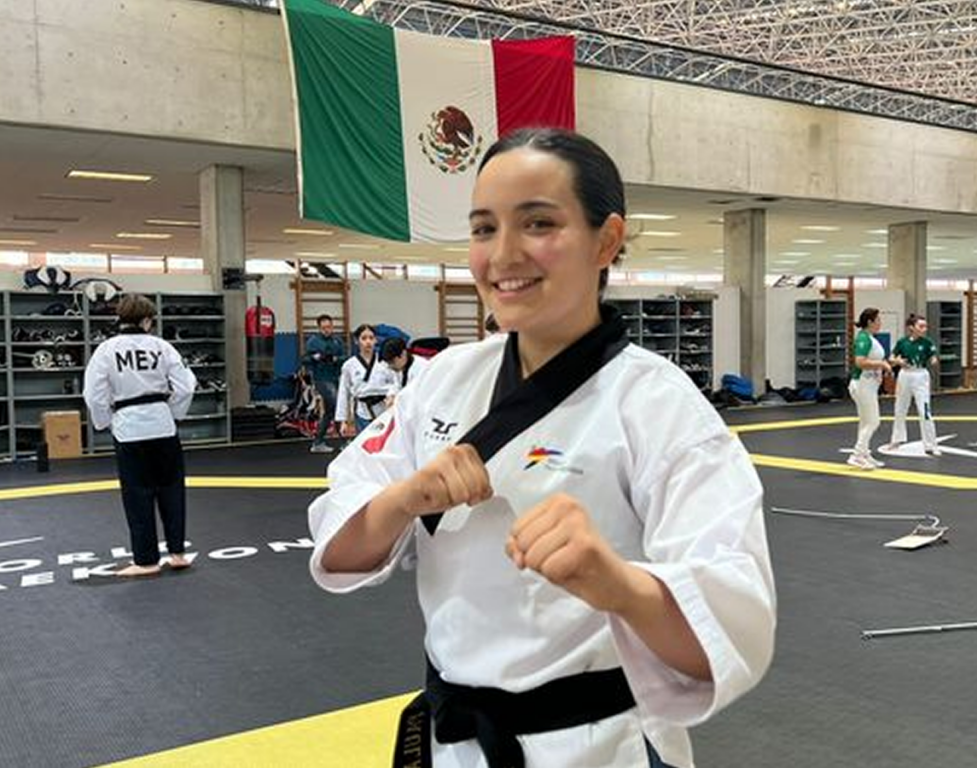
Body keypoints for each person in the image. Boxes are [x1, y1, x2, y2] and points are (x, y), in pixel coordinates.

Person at [308, 128, 775, 768]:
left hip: (593, 745)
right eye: (482, 229)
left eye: (538, 224)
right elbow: (341, 541)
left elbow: (733, 613)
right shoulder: (441, 379)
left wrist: (619, 584)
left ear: (606, 240)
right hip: (453, 739)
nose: (503, 255)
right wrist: (403, 499)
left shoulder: (657, 403)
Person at [83, 294, 197, 577]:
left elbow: (94, 394)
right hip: (162, 424)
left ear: (119, 319)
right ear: (148, 320)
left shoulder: (107, 350)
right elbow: (186, 386)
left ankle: (145, 560)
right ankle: (178, 553)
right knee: (171, 489)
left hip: (128, 426)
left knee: (137, 494)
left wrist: (106, 422)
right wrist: (171, 413)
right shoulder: (162, 346)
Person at [885, 313, 940, 455]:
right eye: (921, 326)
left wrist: (934, 360)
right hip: (905, 375)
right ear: (911, 328)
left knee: (925, 410)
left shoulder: (927, 342)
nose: (924, 329)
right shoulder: (902, 342)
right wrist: (898, 361)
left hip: (920, 375)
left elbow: (933, 356)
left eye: (925, 326)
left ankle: (930, 444)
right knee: (900, 408)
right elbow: (891, 357)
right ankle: (897, 439)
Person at [847, 307, 891, 470]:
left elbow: (876, 360)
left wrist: (889, 363)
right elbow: (860, 361)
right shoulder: (864, 339)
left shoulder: (871, 338)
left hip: (869, 385)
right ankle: (857, 454)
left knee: (865, 422)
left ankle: (864, 453)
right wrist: (881, 364)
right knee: (873, 421)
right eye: (878, 320)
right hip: (862, 384)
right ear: (870, 322)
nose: (880, 323)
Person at [335, 324, 394, 437]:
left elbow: (396, 384)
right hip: (362, 411)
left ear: (376, 340)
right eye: (364, 338)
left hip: (384, 409)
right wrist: (343, 421)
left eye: (371, 338)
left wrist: (392, 395)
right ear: (357, 341)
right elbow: (343, 393)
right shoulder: (349, 365)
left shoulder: (385, 362)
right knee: (365, 447)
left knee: (385, 446)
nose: (368, 342)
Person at [303, 314, 346, 453]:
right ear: (319, 328)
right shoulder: (313, 341)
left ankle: (318, 442)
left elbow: (345, 357)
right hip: (321, 378)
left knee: (331, 411)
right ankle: (343, 439)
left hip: (335, 377)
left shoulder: (337, 341)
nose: (327, 330)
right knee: (334, 404)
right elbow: (305, 359)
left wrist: (334, 359)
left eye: (329, 327)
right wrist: (315, 357)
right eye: (324, 327)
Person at [380, 336, 428, 404]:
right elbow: (397, 385)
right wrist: (391, 395)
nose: (390, 366)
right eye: (388, 363)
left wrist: (397, 400)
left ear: (403, 354)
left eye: (392, 362)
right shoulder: (400, 366)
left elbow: (415, 396)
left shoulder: (421, 367)